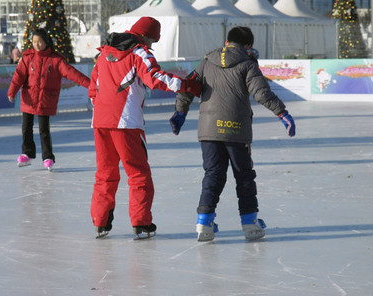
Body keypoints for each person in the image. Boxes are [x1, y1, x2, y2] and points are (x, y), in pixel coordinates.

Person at [169, 26, 296, 242]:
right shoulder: (247, 63)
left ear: (227, 41)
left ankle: (204, 222)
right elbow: (262, 93)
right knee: (244, 175)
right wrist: (282, 113)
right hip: (236, 129)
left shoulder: (207, 61)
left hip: (209, 129)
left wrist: (180, 112)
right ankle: (249, 223)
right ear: (248, 46)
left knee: (213, 174)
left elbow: (188, 86)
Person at [88, 16, 201, 239]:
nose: (152, 46)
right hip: (127, 123)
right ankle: (141, 224)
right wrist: (188, 85)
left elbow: (93, 90)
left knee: (105, 174)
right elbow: (155, 78)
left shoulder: (103, 54)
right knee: (138, 174)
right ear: (147, 36)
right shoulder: (139, 53)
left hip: (100, 122)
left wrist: (103, 111)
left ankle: (101, 222)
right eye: (153, 41)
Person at [7, 28, 90, 170]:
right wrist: (12, 91)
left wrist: (91, 85)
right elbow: (18, 76)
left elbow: (72, 74)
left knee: (44, 130)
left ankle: (47, 157)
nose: (37, 45)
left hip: (45, 99)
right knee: (26, 128)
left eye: (40, 42)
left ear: (46, 42)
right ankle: (27, 153)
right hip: (29, 98)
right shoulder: (27, 57)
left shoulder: (56, 60)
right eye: (34, 42)